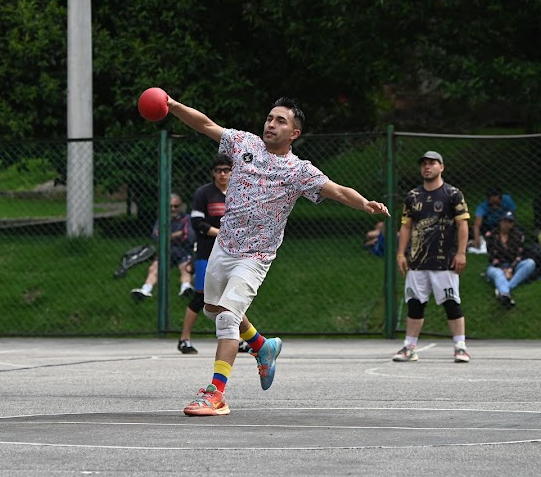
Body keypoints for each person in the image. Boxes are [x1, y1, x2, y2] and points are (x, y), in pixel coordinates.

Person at [165, 95, 389, 416]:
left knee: (227, 318)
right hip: (224, 247)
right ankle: (262, 347)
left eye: (280, 121)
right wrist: (172, 105)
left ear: (294, 133)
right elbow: (205, 125)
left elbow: (337, 190)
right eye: (270, 118)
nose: (271, 124)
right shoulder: (244, 144)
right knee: (214, 309)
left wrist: (365, 203)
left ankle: (216, 394)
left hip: (255, 256)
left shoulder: (299, 171)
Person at [393, 151, 471, 363]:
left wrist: (462, 252)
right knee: (415, 304)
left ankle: (460, 346)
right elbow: (406, 226)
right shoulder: (413, 197)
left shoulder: (452, 194)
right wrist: (401, 253)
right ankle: (409, 347)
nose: (427, 167)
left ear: (441, 167)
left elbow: (463, 225)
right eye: (424, 164)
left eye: (432, 163)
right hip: (417, 262)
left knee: (451, 303)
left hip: (444, 261)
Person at [177, 154, 233, 355]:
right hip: (206, 252)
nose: (223, 174)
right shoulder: (204, 193)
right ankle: (184, 339)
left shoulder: (238, 193)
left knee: (231, 298)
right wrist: (220, 234)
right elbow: (197, 223)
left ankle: (238, 339)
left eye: (226, 170)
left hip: (231, 254)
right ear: (213, 173)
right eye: (218, 170)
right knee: (201, 296)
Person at [130, 193, 196, 301]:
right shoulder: (162, 219)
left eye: (176, 206)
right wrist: (176, 234)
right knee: (154, 269)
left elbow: (189, 236)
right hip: (166, 251)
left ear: (180, 206)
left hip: (183, 250)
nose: (173, 209)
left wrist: (166, 235)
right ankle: (145, 290)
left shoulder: (187, 219)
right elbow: (156, 236)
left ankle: (185, 288)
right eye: (170, 206)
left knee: (186, 269)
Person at [485, 211, 536, 309]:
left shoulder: (519, 235)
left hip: (514, 265)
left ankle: (504, 289)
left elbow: (519, 256)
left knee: (530, 263)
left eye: (510, 222)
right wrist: (504, 269)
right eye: (504, 221)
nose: (506, 224)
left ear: (513, 223)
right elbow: (491, 256)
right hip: (496, 266)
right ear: (500, 221)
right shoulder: (490, 235)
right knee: (498, 274)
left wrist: (511, 269)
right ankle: (505, 294)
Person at [470, 187, 516, 252]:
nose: (494, 207)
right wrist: (476, 239)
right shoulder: (482, 206)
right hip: (489, 225)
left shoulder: (507, 200)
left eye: (497, 204)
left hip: (503, 223)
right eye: (492, 204)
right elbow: (477, 225)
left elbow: (513, 216)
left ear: (501, 198)